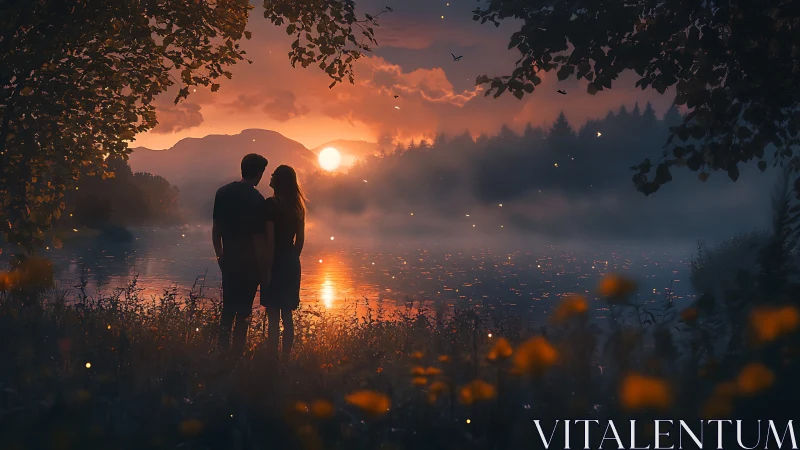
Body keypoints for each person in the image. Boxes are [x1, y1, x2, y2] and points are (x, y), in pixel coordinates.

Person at [212, 153, 271, 354]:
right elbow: (258, 240)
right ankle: (237, 355)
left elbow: (216, 230)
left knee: (227, 310)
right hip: (250, 265)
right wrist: (265, 271)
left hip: (229, 260)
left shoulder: (222, 193)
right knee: (243, 312)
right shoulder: (257, 200)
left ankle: (222, 353)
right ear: (259, 173)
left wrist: (220, 255)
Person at [261, 165, 306, 362]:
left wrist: (267, 268)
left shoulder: (271, 204)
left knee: (273, 314)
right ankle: (285, 360)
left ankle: (272, 359)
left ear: (279, 181)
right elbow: (300, 240)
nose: (269, 178)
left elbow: (270, 240)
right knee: (287, 315)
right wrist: (292, 258)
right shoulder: (298, 207)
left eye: (273, 175)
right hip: (291, 261)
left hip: (276, 261)